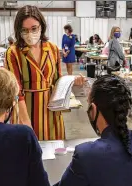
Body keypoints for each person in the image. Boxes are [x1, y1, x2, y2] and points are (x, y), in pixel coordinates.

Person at [5, 5, 84, 140]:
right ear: (19, 31)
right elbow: (16, 91)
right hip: (25, 112)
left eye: (34, 28)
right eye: (25, 30)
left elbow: (57, 80)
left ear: (41, 26)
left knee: (54, 153)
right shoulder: (13, 53)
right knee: (27, 154)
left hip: (51, 113)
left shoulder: (52, 49)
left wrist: (72, 81)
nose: (30, 33)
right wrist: (26, 124)